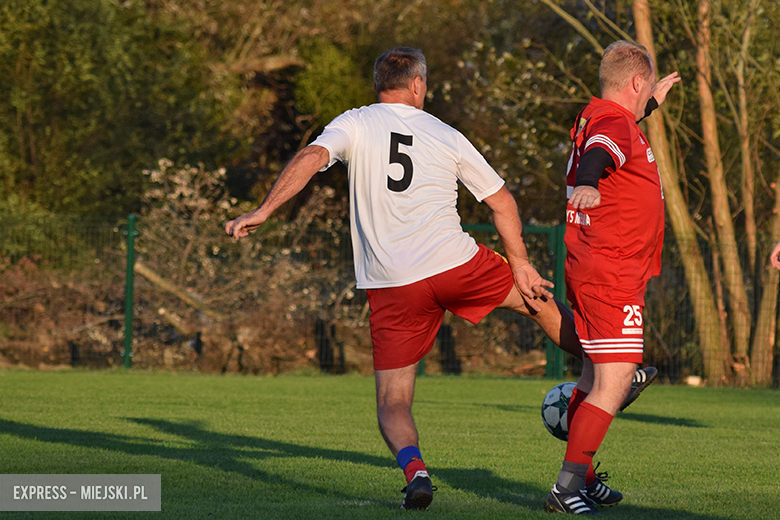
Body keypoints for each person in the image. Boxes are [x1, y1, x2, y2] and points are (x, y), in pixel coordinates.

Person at [226, 46, 653, 511]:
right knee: (538, 303)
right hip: (455, 265)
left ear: (378, 86)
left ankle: (417, 472)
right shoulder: (444, 132)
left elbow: (310, 157)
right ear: (418, 85)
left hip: (391, 284)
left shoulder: (354, 122)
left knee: (392, 400)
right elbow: (502, 202)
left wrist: (265, 209)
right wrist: (521, 263)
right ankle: (611, 370)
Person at [544, 41, 681, 515]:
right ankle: (566, 488)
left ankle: (580, 477)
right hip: (611, 269)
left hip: (601, 265)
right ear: (637, 82)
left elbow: (613, 135)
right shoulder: (611, 125)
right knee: (617, 378)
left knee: (594, 374)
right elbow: (602, 152)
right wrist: (587, 181)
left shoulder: (600, 114)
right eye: (646, 92)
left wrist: (653, 104)